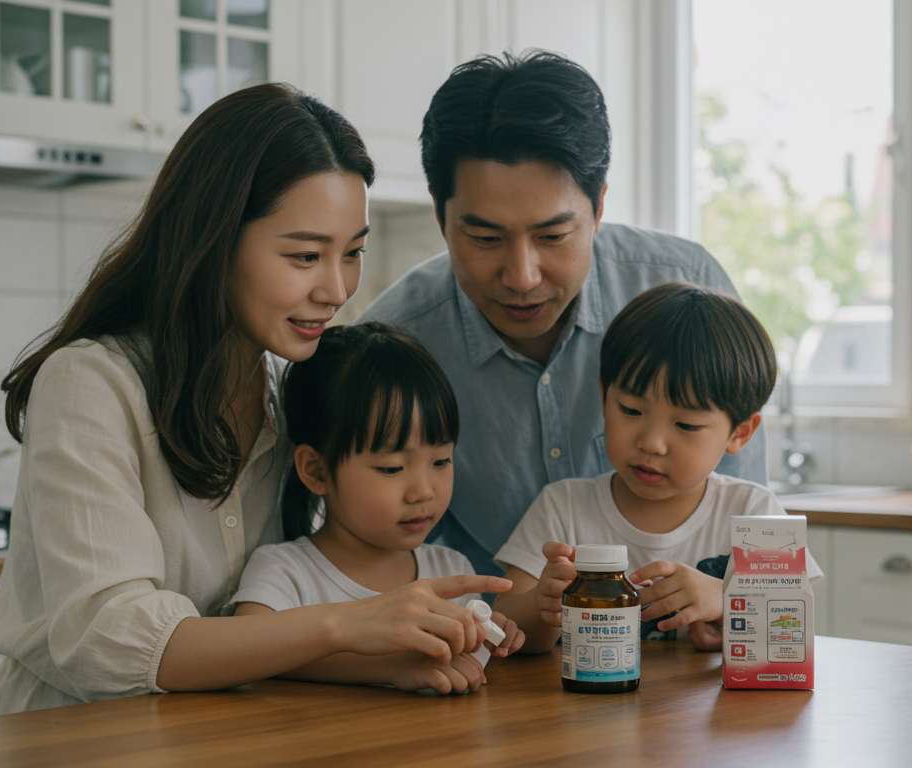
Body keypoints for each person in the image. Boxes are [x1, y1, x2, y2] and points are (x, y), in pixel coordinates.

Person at [0, 84, 508, 715]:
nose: (336, 288)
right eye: (306, 255)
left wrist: (393, 657)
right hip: (77, 738)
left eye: (353, 253)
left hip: (223, 734)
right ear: (214, 240)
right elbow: (106, 644)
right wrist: (347, 625)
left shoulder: (287, 388)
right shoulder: (92, 383)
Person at [359, 51, 766, 578]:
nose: (522, 276)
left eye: (552, 236)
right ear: (440, 213)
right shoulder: (396, 345)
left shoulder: (689, 288)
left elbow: (748, 524)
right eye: (486, 238)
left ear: (598, 208)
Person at [490, 283, 822, 653]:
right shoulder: (563, 506)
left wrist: (726, 599)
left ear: (739, 433)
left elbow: (794, 625)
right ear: (604, 396)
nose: (652, 443)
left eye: (686, 425)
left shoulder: (754, 512)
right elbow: (503, 628)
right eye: (631, 410)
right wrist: (543, 604)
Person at [230, 322, 524, 694]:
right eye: (392, 468)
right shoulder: (285, 572)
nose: (423, 493)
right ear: (316, 470)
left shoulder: (451, 573)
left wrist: (484, 637)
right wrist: (390, 666)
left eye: (440, 461)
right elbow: (247, 649)